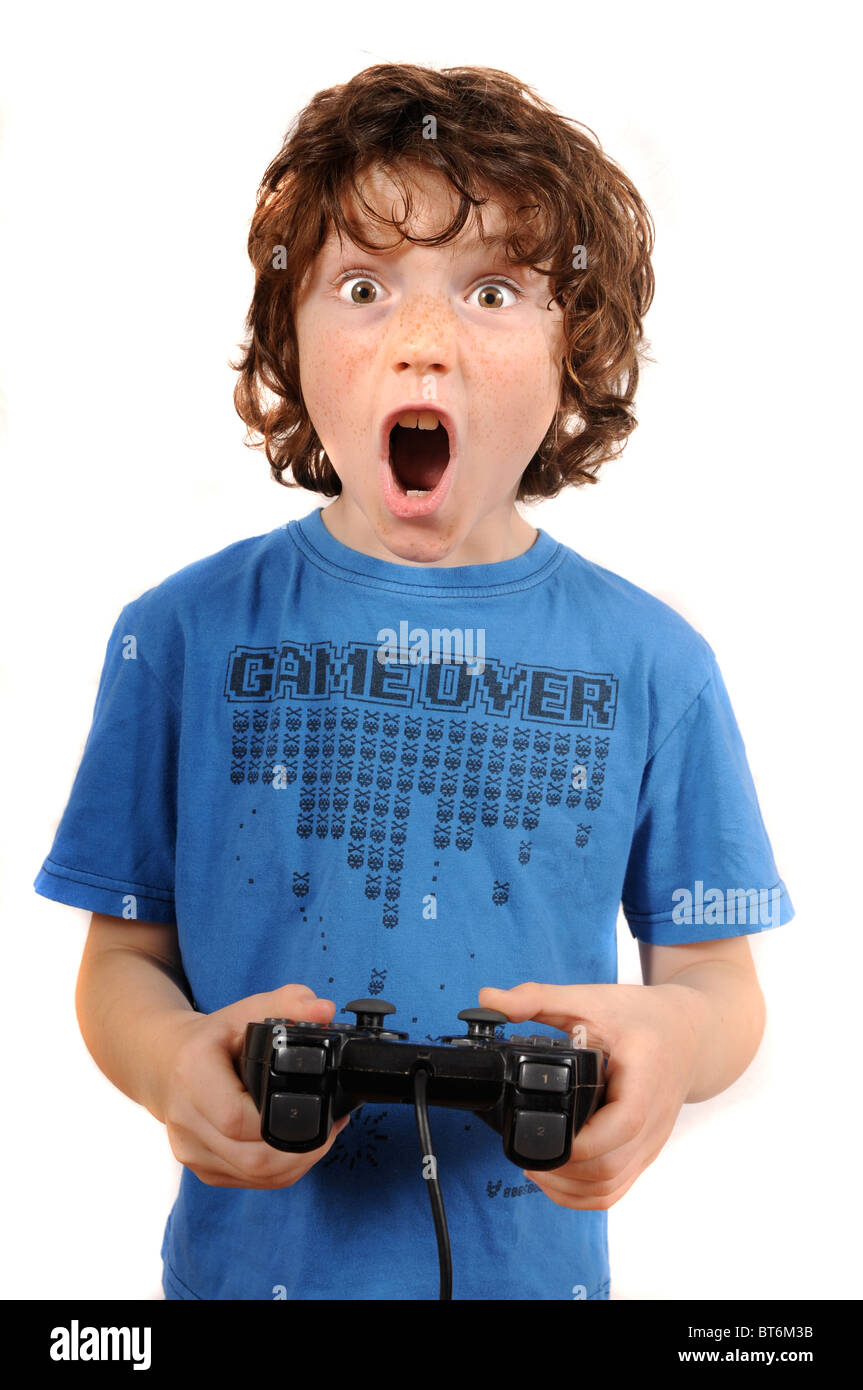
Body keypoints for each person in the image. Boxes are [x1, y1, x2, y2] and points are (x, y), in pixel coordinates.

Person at [33, 63, 793, 1301]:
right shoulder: (178, 636)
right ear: (292, 340)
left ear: (573, 355)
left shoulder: (655, 662)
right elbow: (120, 955)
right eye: (364, 286)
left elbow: (714, 979)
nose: (421, 342)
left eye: (492, 291)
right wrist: (173, 1061)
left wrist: (673, 1039)